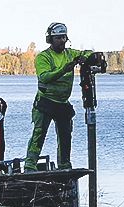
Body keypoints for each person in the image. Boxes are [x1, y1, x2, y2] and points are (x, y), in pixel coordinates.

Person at [24, 22, 92, 172]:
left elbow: (87, 52)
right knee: (39, 134)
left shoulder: (70, 54)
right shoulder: (43, 57)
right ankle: (30, 165)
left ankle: (64, 165)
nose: (62, 41)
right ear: (50, 39)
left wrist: (86, 58)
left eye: (64, 37)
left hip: (62, 103)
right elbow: (45, 77)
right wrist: (63, 69)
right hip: (45, 102)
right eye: (58, 38)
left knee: (65, 136)